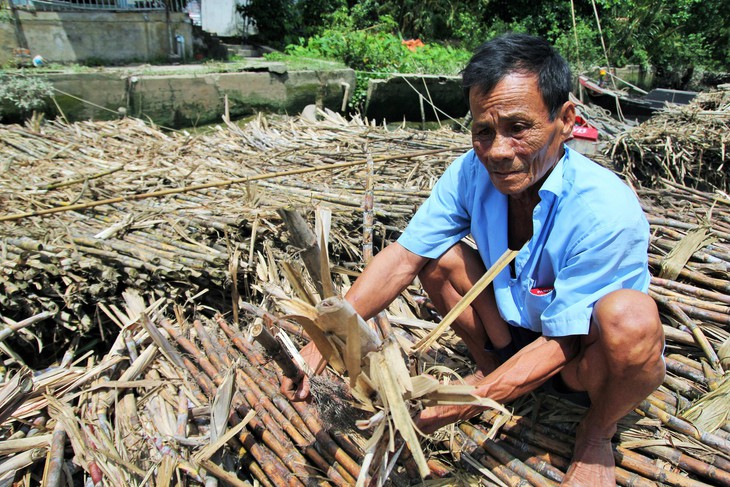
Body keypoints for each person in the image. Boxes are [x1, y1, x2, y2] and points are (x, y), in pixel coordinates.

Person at [282, 33, 665, 486]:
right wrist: (326, 340)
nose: (498, 151)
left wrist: (467, 399)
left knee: (631, 319)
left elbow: (566, 340)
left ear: (565, 121)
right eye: (484, 131)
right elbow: (405, 257)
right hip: (512, 334)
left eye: (519, 128)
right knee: (438, 258)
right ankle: (499, 374)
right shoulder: (471, 171)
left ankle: (597, 431)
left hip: (580, 362)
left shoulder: (605, 209)